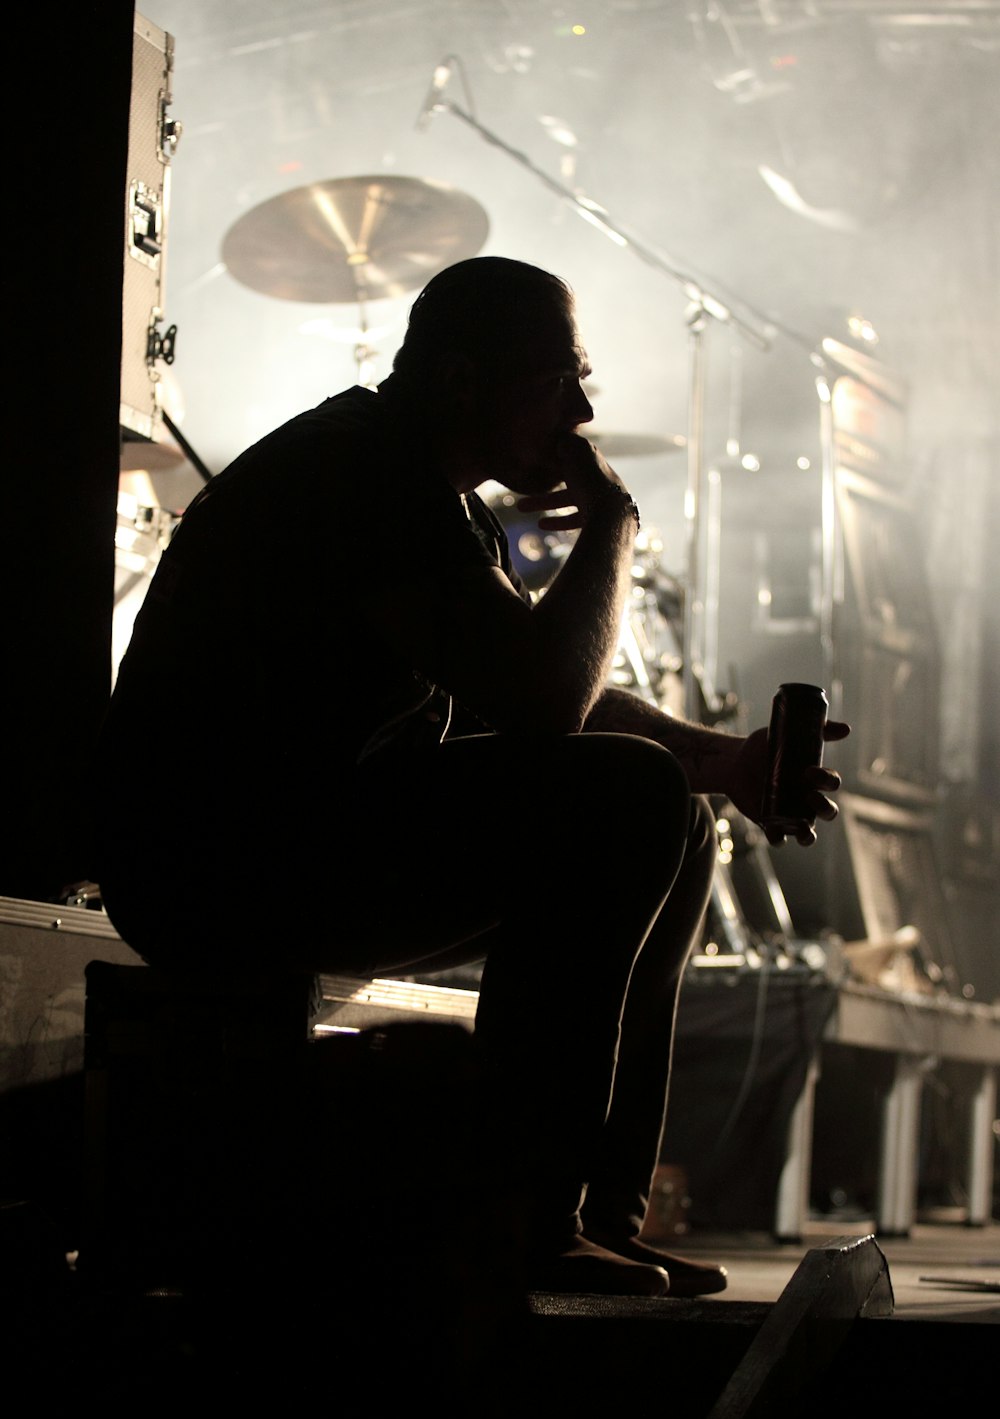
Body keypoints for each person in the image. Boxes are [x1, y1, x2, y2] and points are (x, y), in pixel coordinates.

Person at [92, 256, 848, 1300]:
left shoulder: (433, 497)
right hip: (219, 863)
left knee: (672, 814)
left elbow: (543, 705)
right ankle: (528, 1215)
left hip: (309, 836)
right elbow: (547, 704)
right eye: (559, 380)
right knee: (627, 800)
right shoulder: (356, 473)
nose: (581, 412)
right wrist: (613, 525)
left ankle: (592, 1213)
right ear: (459, 380)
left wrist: (721, 764)